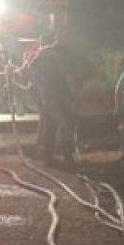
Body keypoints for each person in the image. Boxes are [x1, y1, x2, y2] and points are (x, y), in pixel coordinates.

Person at [28, 31, 77, 166]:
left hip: (51, 95)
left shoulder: (42, 54)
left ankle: (49, 157)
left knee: (51, 124)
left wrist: (40, 90)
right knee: (65, 125)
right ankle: (66, 156)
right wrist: (73, 94)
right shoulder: (53, 55)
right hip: (56, 95)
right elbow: (67, 75)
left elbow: (31, 71)